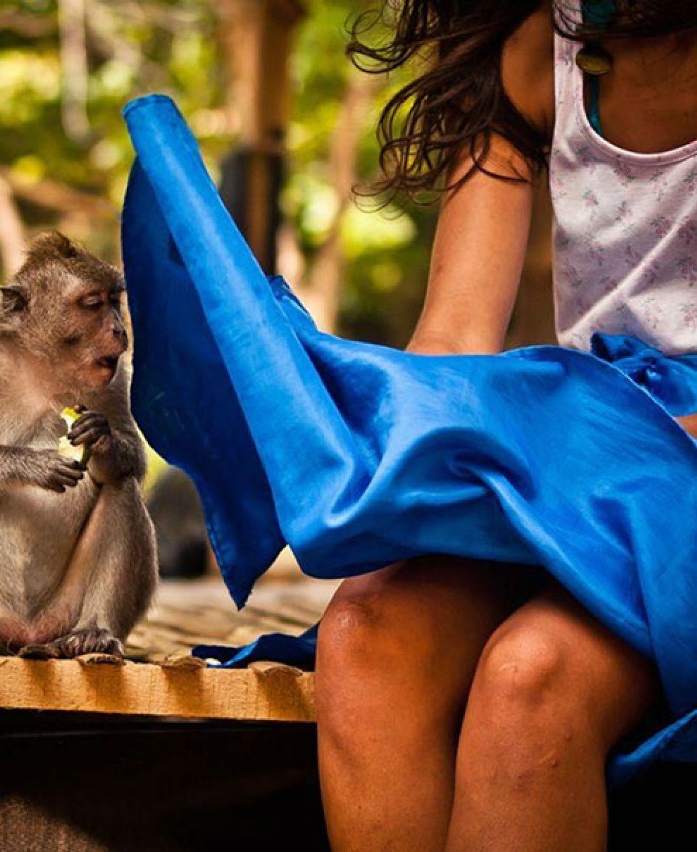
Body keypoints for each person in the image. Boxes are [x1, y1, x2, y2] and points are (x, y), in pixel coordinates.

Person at [314, 1, 696, 849]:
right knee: (365, 637)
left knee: (532, 676)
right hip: (595, 461)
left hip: (651, 469)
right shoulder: (537, 53)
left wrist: (589, 454)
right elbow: (451, 342)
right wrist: (364, 437)